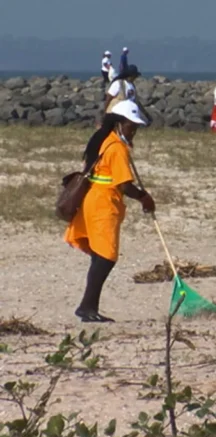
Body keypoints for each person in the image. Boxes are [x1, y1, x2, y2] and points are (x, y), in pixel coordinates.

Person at [64, 101, 155, 322]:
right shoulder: (116, 148)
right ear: (119, 123)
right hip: (103, 205)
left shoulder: (103, 140)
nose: (133, 131)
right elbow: (124, 185)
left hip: (94, 201)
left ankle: (88, 307)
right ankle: (87, 307)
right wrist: (144, 198)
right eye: (131, 126)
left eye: (136, 127)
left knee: (100, 256)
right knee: (106, 257)